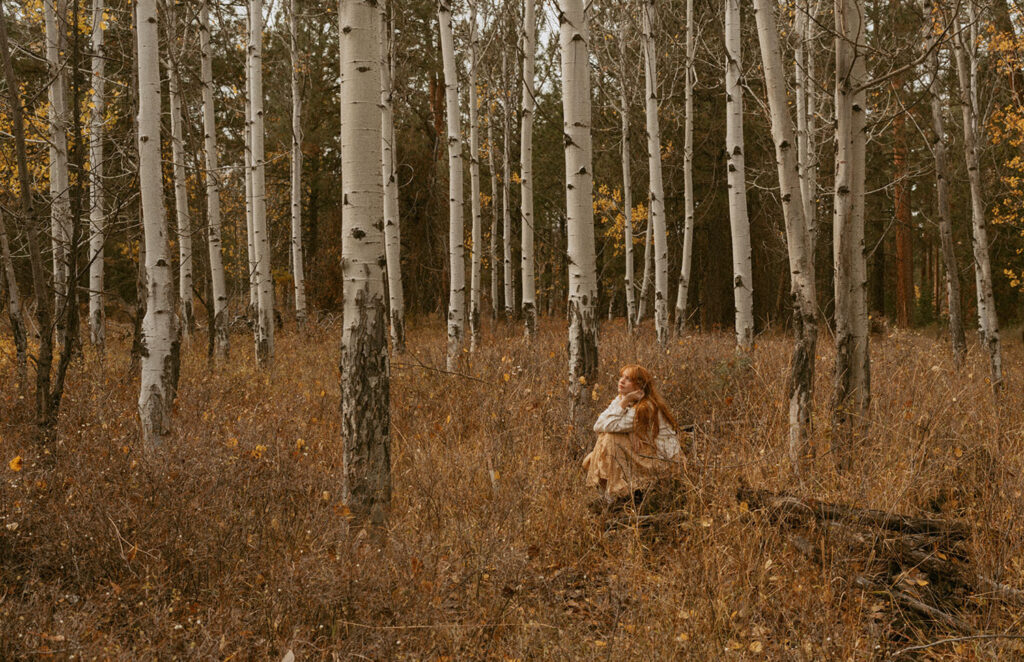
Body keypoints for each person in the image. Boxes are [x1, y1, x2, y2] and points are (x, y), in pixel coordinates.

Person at [582, 364, 680, 503]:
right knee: (606, 438)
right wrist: (630, 428)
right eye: (622, 377)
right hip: (644, 452)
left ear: (639, 386)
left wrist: (626, 402)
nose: (621, 381)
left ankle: (611, 496)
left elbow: (608, 425)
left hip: (662, 461)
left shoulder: (645, 407)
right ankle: (608, 496)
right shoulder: (622, 399)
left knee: (610, 437)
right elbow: (598, 425)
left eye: (628, 379)